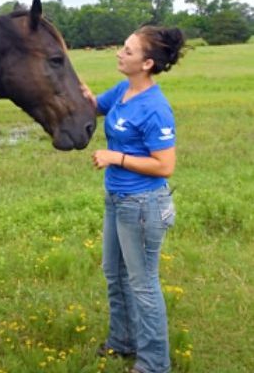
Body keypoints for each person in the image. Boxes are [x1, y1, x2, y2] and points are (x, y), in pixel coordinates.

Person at [82, 25, 185, 373]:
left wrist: (117, 158)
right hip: (116, 200)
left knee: (143, 285)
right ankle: (122, 341)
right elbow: (95, 105)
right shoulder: (123, 91)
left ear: (147, 63)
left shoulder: (156, 108)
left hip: (142, 206)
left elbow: (165, 165)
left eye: (128, 50)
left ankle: (154, 363)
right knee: (114, 273)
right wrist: (66, 82)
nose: (119, 54)